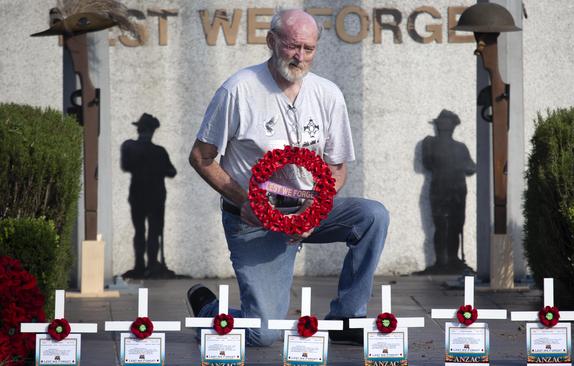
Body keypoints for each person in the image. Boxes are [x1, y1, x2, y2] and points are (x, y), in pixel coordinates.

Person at [187, 9, 389, 346]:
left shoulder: (328, 94)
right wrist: (246, 201)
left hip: (308, 210)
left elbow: (337, 167)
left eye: (308, 49)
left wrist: (318, 207)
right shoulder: (238, 90)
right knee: (262, 334)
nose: (300, 56)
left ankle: (346, 316)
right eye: (292, 46)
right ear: (271, 42)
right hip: (255, 219)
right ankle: (210, 310)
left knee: (373, 216)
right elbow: (201, 158)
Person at [417, 110, 475, 274]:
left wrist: (461, 165)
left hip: (457, 190)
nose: (444, 127)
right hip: (440, 188)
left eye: (447, 124)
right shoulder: (430, 143)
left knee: (456, 226)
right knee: (441, 225)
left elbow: (471, 167)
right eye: (442, 124)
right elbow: (428, 163)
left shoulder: (460, 147)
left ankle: (453, 259)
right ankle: (441, 261)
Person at [121, 113, 177, 278]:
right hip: (148, 196)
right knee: (147, 231)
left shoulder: (148, 150)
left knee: (150, 232)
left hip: (149, 196)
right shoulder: (152, 150)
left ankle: (149, 265)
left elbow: (172, 171)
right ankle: (144, 265)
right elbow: (127, 166)